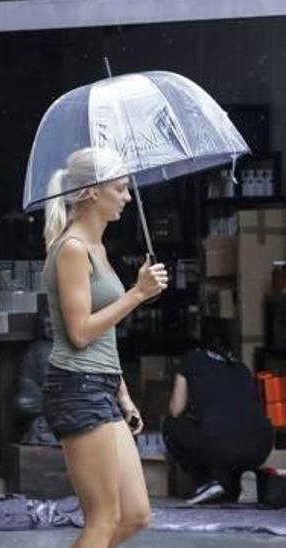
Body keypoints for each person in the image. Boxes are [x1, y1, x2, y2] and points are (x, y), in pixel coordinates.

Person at [41, 147, 168, 548]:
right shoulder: (73, 249)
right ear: (93, 192)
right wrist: (137, 294)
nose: (128, 197)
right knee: (103, 519)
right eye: (120, 188)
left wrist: (122, 393)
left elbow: (105, 335)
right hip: (76, 387)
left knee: (134, 515)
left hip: (100, 386)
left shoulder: (97, 248)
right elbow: (80, 333)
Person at [163, 346, 273, 505]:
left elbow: (175, 409)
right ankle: (237, 485)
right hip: (262, 445)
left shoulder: (191, 360)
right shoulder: (241, 367)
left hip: (224, 447)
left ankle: (205, 482)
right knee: (229, 431)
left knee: (172, 425)